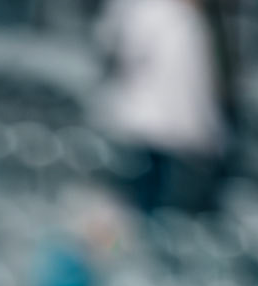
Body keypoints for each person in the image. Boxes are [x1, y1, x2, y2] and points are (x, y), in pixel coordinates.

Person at [94, 0, 228, 214]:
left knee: (158, 194)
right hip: (151, 124)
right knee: (143, 194)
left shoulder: (184, 19)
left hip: (165, 127)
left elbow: (196, 83)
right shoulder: (159, 13)